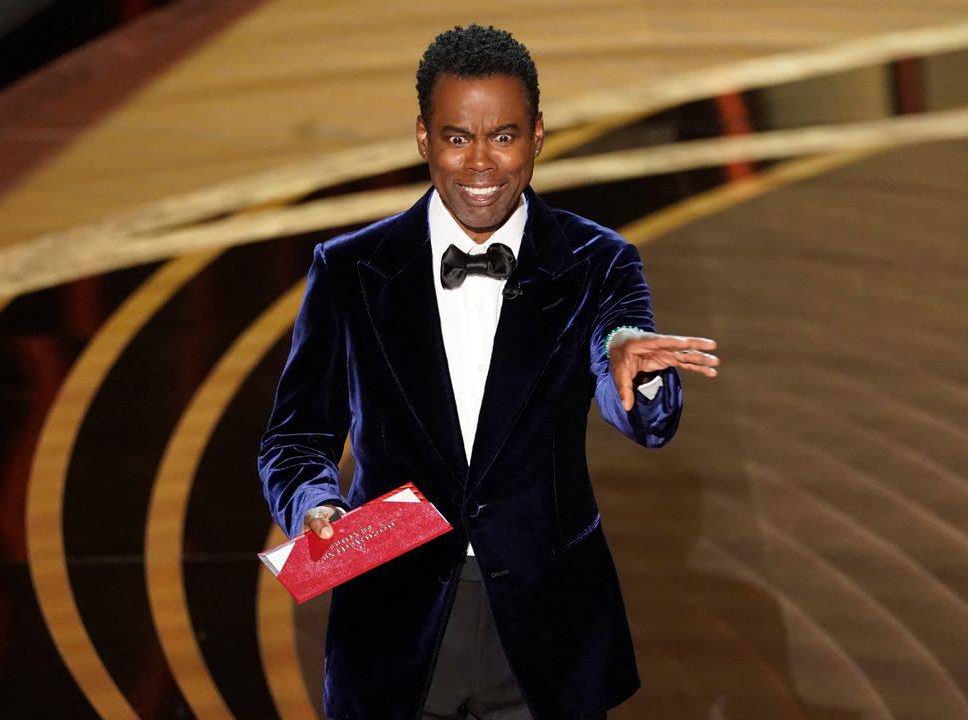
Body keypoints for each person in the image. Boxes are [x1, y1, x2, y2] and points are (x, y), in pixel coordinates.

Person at [259, 24, 718, 720]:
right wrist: (317, 508)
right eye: (456, 137)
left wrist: (635, 368)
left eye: (503, 136)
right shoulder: (349, 269)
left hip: (546, 625)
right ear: (423, 136)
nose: (480, 164)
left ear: (537, 135)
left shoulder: (599, 260)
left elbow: (643, 408)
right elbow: (296, 438)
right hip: (394, 623)